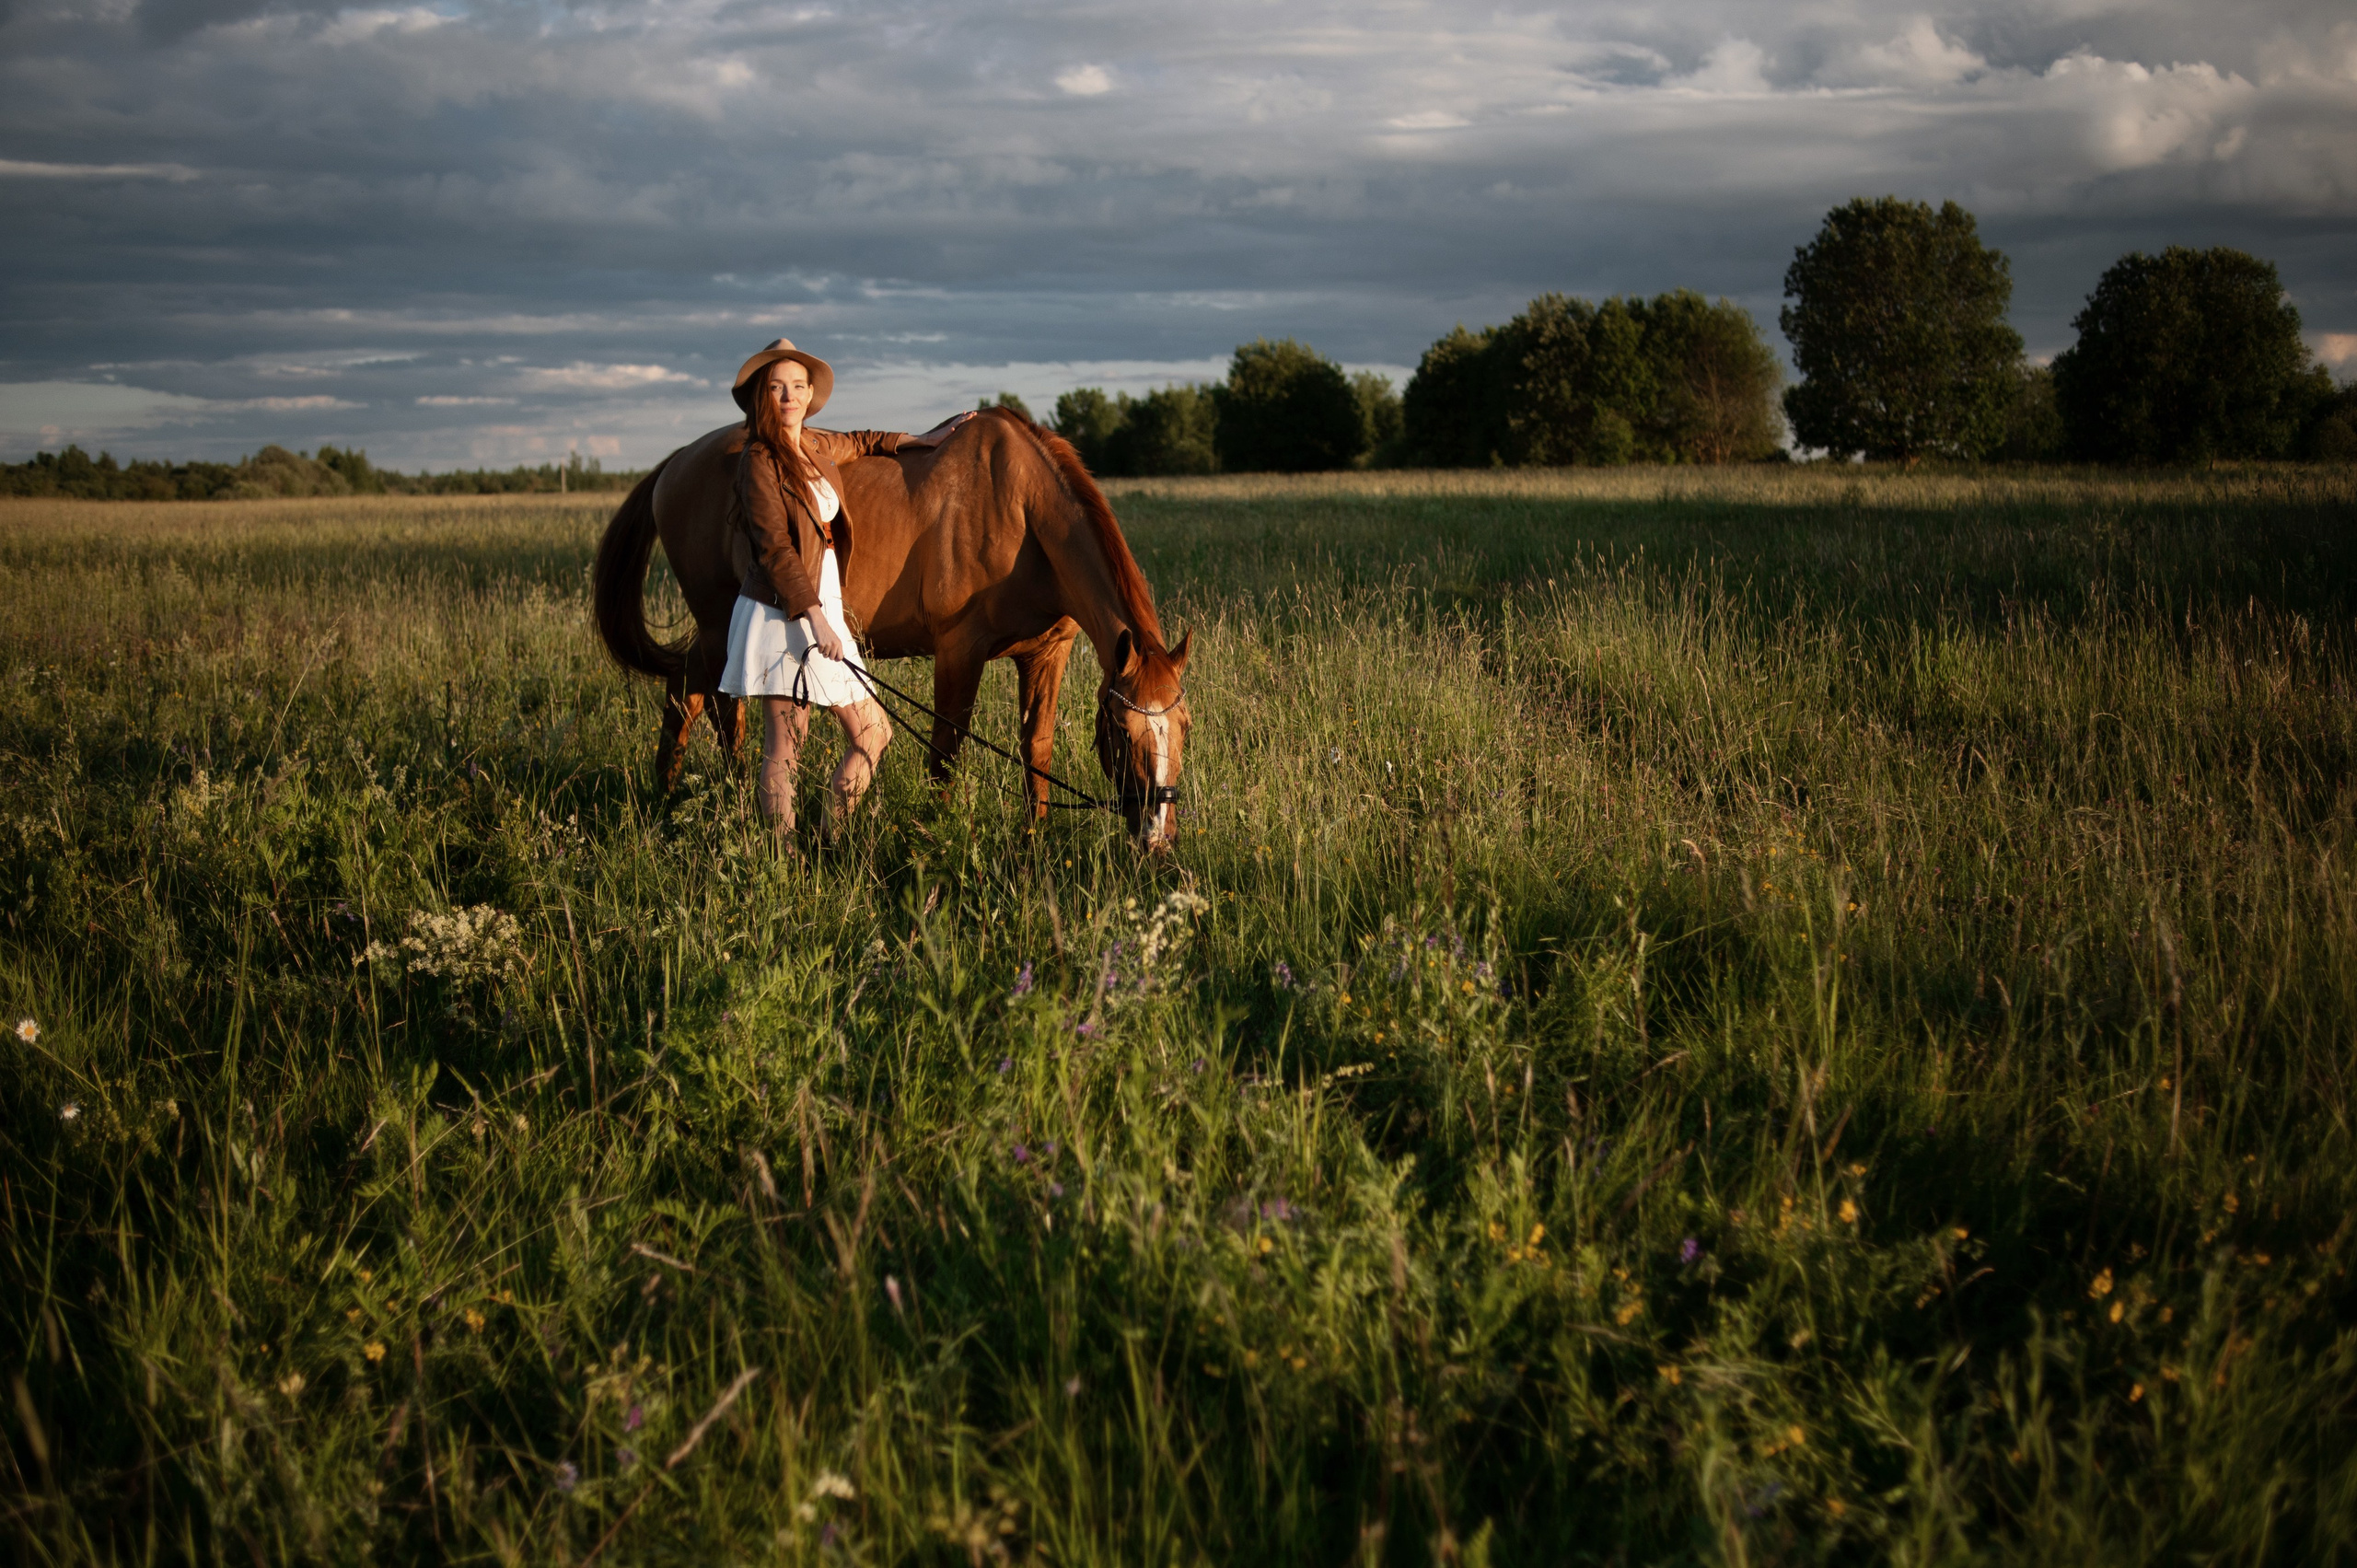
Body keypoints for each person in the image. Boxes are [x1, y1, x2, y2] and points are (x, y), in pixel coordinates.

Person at [719, 338, 969, 836]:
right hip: (781, 613)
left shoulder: (813, 444)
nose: (789, 397)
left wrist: (923, 439)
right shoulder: (759, 462)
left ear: (810, 394)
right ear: (761, 398)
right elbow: (774, 552)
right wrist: (814, 619)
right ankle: (783, 860)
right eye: (777, 388)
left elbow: (862, 440)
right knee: (786, 748)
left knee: (874, 733)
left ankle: (829, 837)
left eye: (797, 387)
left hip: (822, 607)